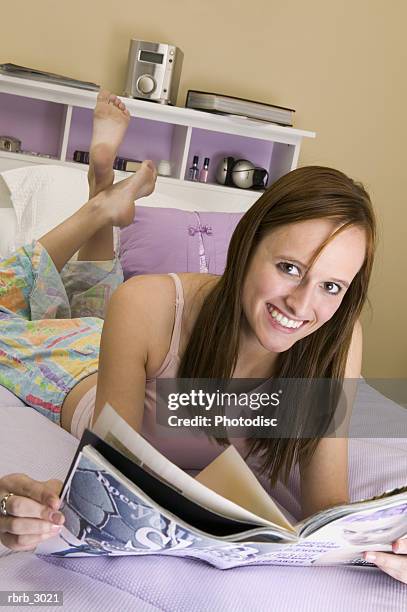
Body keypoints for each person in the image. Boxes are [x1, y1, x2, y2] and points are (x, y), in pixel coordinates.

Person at [1, 92, 406, 585]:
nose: (302, 306)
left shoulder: (338, 337)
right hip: (80, 373)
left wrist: (385, 547)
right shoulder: (145, 304)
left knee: (90, 299)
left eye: (331, 285)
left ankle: (104, 192)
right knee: (21, 312)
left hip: (131, 342)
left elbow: (326, 507)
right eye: (289, 268)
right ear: (245, 245)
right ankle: (98, 204)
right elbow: (112, 487)